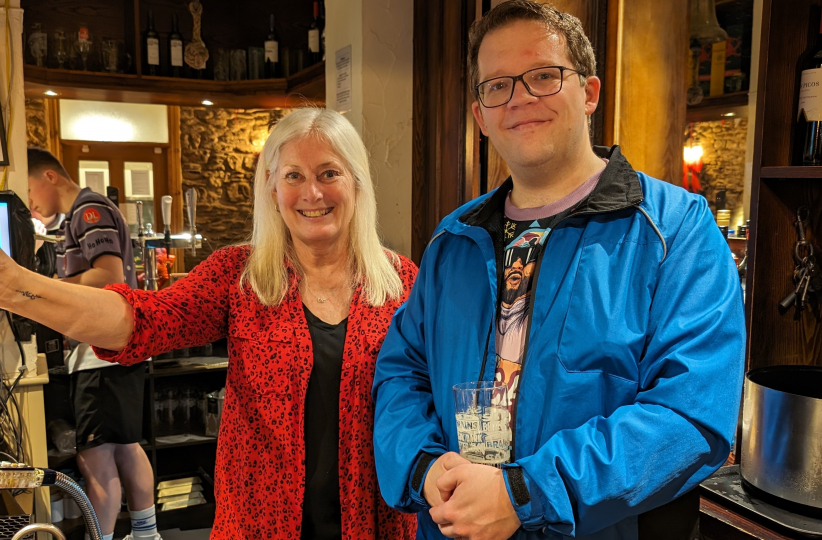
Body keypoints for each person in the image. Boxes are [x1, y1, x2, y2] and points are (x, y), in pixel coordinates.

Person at [372, 2, 746, 540]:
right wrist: (423, 465)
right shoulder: (453, 239)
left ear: (589, 92)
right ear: (480, 115)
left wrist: (526, 492)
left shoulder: (674, 230)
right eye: (497, 85)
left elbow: (690, 416)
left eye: (544, 76)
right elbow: (400, 373)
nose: (520, 97)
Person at [9, 109, 417, 540]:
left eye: (329, 172)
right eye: (293, 175)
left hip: (376, 521)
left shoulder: (402, 282)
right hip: (259, 525)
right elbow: (140, 322)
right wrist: (14, 285)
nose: (311, 192)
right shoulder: (239, 276)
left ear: (356, 181)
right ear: (272, 188)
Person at [27, 148, 159, 540]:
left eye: (31, 192)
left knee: (94, 456)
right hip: (116, 351)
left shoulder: (88, 210)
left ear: (49, 177)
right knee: (123, 447)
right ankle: (146, 534)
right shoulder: (87, 211)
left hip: (101, 355)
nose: (32, 205)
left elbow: (108, 275)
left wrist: (46, 288)